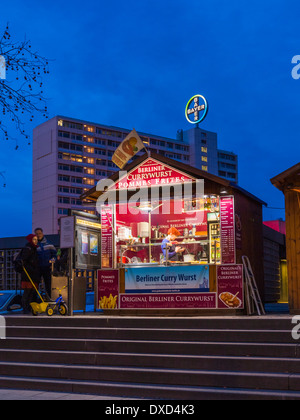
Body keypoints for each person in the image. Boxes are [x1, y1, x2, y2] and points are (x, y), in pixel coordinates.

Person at [19, 234, 40, 314]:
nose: (36, 241)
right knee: (27, 292)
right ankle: (25, 308)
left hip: (33, 274)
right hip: (28, 274)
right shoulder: (28, 249)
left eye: (36, 239)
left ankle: (29, 307)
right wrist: (30, 268)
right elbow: (24, 261)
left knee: (31, 292)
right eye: (34, 239)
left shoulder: (34, 249)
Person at [34, 228, 57, 299]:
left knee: (48, 284)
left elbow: (54, 255)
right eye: (36, 234)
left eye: (39, 233)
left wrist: (52, 263)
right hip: (37, 268)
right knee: (35, 284)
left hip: (47, 267)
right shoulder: (34, 245)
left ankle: (50, 299)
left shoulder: (49, 244)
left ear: (42, 234)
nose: (38, 235)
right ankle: (35, 299)